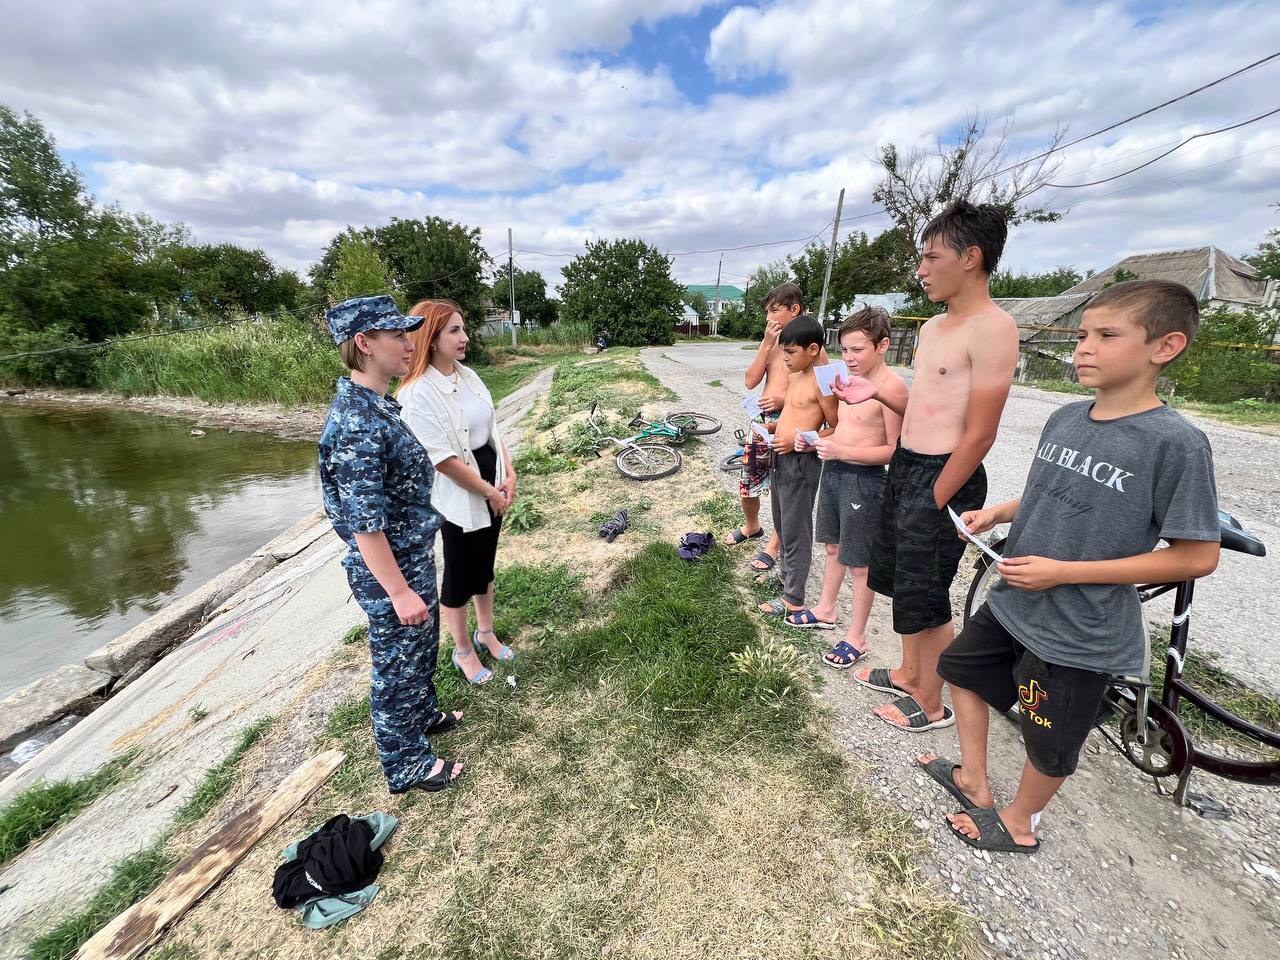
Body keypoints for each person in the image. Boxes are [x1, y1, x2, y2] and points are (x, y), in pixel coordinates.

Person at [918, 279, 1221, 853]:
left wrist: (1064, 572)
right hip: (1015, 601)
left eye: (1107, 335)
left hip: (1079, 630)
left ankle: (1020, 822)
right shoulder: (1065, 418)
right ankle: (973, 781)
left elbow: (1197, 555)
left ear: (1166, 346)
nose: (1084, 347)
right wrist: (1000, 513)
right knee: (958, 671)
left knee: (1048, 737)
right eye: (1082, 334)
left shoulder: (1175, 444)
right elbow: (1046, 492)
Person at [832, 199, 1019, 732]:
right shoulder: (936, 326)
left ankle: (933, 704)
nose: (921, 269)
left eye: (931, 257)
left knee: (928, 596)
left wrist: (935, 498)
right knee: (899, 582)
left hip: (944, 477)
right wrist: (880, 396)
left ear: (971, 258)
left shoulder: (993, 327)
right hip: (908, 468)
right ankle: (912, 672)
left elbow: (980, 432)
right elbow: (924, 410)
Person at [317, 295, 463, 794]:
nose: (408, 343)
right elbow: (364, 525)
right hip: (389, 569)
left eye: (408, 333)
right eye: (396, 335)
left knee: (420, 650)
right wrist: (399, 592)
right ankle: (405, 763)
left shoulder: (377, 405)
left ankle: (423, 715)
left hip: (410, 555)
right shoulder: (357, 422)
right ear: (363, 343)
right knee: (396, 666)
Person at [398, 300, 517, 686]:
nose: (464, 338)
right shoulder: (417, 394)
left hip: (491, 480)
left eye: (463, 329)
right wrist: (488, 493)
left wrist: (508, 473)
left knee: (485, 563)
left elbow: (493, 429)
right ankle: (463, 649)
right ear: (430, 339)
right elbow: (444, 461)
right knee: (459, 573)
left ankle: (486, 632)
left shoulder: (468, 377)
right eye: (454, 331)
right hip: (459, 493)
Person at [795, 308, 907, 668]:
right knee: (832, 547)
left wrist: (843, 450)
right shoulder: (843, 379)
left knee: (860, 564)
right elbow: (841, 428)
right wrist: (816, 441)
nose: (849, 357)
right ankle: (826, 609)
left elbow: (894, 450)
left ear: (883, 345)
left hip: (865, 482)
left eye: (858, 349)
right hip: (834, 472)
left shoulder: (891, 388)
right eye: (844, 349)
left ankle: (856, 637)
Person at [725, 282, 817, 579]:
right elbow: (750, 382)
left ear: (795, 309)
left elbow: (823, 386)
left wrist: (783, 398)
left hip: (791, 419)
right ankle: (752, 525)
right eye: (767, 312)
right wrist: (765, 344)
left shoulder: (810, 345)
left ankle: (775, 546)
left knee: (783, 488)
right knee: (749, 477)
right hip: (762, 421)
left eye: (775, 310)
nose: (770, 318)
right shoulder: (772, 342)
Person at [756, 315, 839, 619]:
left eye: (790, 353)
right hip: (781, 456)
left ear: (813, 349)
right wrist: (777, 426)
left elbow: (838, 427)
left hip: (801, 461)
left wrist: (798, 440)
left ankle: (794, 600)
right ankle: (785, 576)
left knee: (797, 530)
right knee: (781, 521)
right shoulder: (796, 375)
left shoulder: (824, 382)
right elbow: (795, 412)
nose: (785, 359)